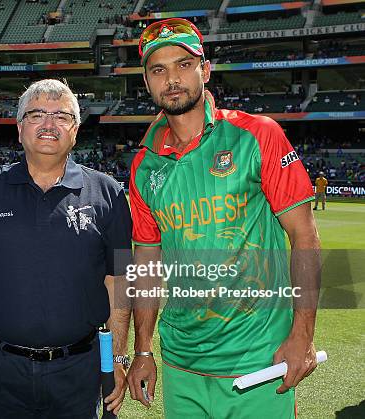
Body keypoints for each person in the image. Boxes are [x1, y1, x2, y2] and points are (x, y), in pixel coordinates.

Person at [125, 18, 322, 418]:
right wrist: (143, 350)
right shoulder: (143, 166)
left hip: (258, 361)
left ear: (205, 69)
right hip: (182, 364)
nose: (172, 79)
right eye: (158, 70)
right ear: (147, 82)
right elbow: (146, 264)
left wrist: (302, 333)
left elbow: (304, 236)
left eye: (183, 64)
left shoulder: (258, 135)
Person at [0, 79, 133, 418]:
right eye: (36, 114)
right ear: (19, 129)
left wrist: (118, 358)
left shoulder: (108, 194)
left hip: (77, 372)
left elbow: (120, 282)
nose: (49, 124)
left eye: (61, 115)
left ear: (75, 130)